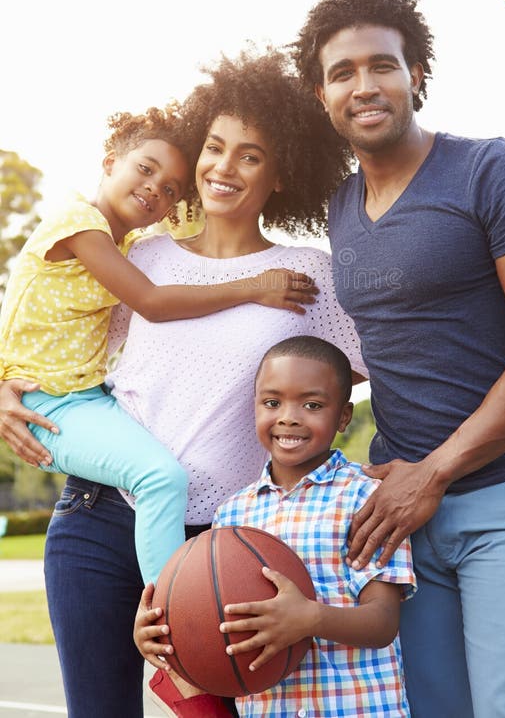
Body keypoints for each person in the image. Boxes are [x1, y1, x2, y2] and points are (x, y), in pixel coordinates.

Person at [0, 49, 367, 718]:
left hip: (224, 541)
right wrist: (2, 388)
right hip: (96, 522)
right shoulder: (143, 254)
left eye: (250, 154)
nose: (224, 167)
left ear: (282, 170)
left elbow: (391, 365)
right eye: (215, 148)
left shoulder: (307, 274)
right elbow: (41, 318)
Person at [291, 0, 505, 718]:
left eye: (382, 65)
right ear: (320, 95)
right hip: (404, 521)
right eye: (342, 73)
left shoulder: (492, 169)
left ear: (416, 74)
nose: (364, 86)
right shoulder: (338, 209)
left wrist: (435, 471)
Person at [0, 105, 317, 585]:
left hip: (90, 399)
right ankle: (170, 608)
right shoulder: (79, 224)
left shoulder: (132, 248)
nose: (155, 188)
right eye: (144, 169)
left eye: (171, 188)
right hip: (51, 406)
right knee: (160, 478)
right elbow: (151, 302)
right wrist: (254, 286)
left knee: (159, 472)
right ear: (110, 162)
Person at [135, 335, 415, 718]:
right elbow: (212, 625)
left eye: (312, 405)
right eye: (272, 402)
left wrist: (309, 618)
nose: (289, 416)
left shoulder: (368, 499)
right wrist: (160, 638)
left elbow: (382, 623)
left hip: (356, 706)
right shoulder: (231, 516)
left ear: (344, 417)